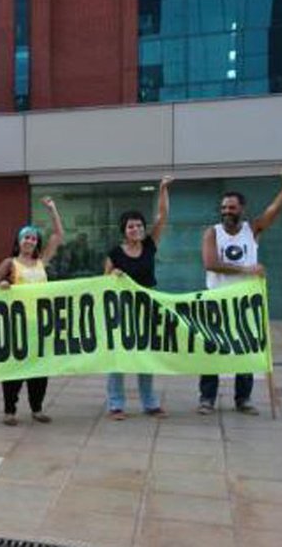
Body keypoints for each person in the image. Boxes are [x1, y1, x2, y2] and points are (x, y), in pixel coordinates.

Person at [198, 167, 282, 416]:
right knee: (213, 349)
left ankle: (243, 398)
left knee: (246, 349)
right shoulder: (213, 232)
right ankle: (207, 397)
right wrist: (247, 269)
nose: (226, 212)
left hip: (245, 303)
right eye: (223, 208)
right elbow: (210, 263)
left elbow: (274, 211)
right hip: (218, 301)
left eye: (231, 208)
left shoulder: (251, 230)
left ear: (241, 208)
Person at [0, 197, 64, 426]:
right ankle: (9, 410)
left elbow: (58, 236)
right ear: (19, 241)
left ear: (36, 242)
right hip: (16, 324)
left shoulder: (42, 261)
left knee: (40, 368)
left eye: (33, 238)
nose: (29, 241)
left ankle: (37, 409)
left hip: (41, 324)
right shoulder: (10, 263)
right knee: (14, 368)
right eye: (25, 237)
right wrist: (0, 286)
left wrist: (52, 209)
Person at [104, 176, 173, 421]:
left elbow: (162, 217)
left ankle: (150, 403)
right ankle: (115, 404)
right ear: (124, 230)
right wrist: (114, 273)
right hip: (122, 310)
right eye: (131, 226)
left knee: (146, 355)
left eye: (139, 225)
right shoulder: (115, 252)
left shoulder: (150, 245)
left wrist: (163, 189)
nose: (136, 229)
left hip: (148, 307)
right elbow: (105, 279)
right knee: (118, 356)